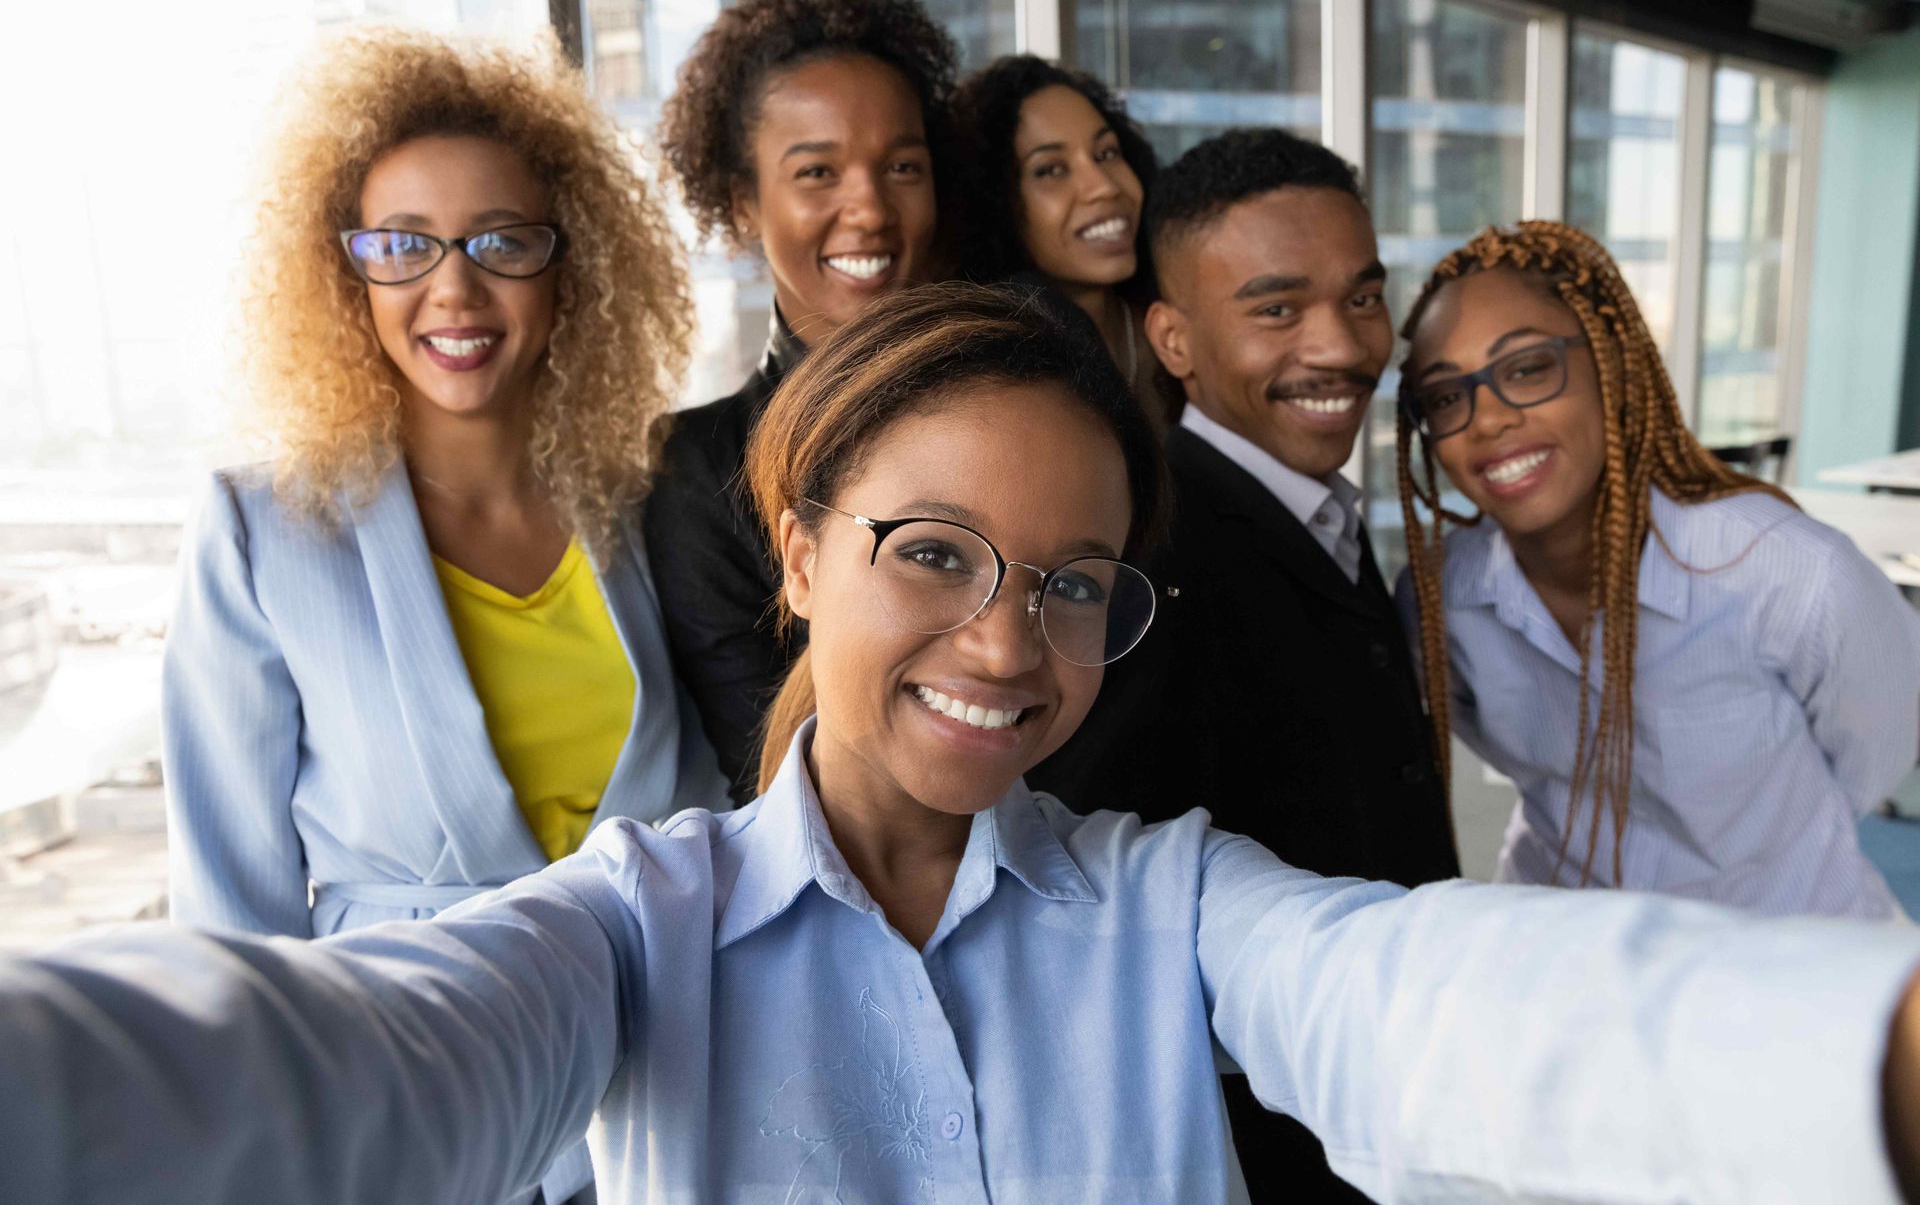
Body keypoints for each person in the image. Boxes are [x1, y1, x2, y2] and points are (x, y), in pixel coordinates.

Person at [11, 283, 1920, 1205]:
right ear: (799, 551)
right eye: (934, 554)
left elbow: (1421, 1000)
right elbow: (347, 1062)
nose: (1010, 643)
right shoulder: (627, 928)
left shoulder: (1167, 903)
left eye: (1077, 580)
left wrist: (1872, 1059)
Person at [162, 26, 725, 1204]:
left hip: (673, 1097)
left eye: (501, 241)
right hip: (411, 1111)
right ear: (346, 271)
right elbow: (231, 915)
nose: (453, 286)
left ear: (574, 264)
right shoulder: (262, 530)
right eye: (402, 244)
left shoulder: (640, 503)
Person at [1030, 127, 1457, 1202]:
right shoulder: (1148, 554)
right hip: (1269, 1144)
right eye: (1277, 308)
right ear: (1171, 337)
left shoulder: (1319, 508)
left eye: (1363, 296)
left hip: (1378, 1099)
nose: (1344, 345)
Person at [1394, 220, 1920, 918]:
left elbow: (1876, 754)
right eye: (1445, 396)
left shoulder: (1789, 576)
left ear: (1609, 365)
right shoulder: (1441, 596)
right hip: (1567, 955)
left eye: (1526, 368)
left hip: (1786, 961)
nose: (1486, 419)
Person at [645, 0, 957, 796]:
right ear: (745, 202)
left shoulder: (1012, 411)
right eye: (818, 172)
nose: (870, 209)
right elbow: (769, 771)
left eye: (903, 166)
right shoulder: (694, 467)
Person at [949, 54, 1161, 410]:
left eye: (1107, 153)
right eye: (1051, 170)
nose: (1103, 187)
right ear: (994, 202)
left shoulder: (1182, 323)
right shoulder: (986, 380)